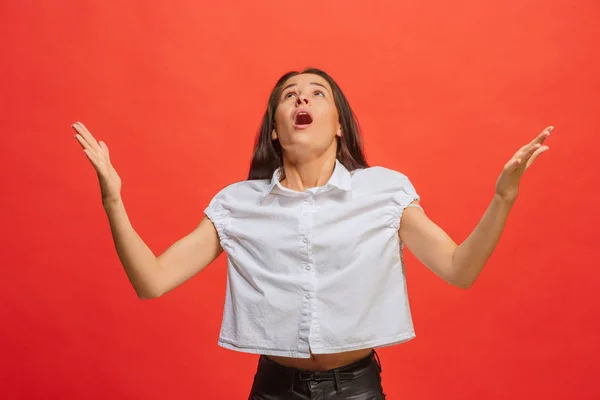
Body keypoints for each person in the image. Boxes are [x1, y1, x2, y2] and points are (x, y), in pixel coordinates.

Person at [73, 67, 552, 399]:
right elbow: (151, 281)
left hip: (358, 390)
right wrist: (113, 199)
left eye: (317, 92)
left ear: (339, 125)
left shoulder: (384, 191)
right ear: (276, 132)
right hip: (273, 390)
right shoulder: (238, 205)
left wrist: (503, 197)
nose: (302, 98)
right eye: (290, 94)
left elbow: (458, 269)